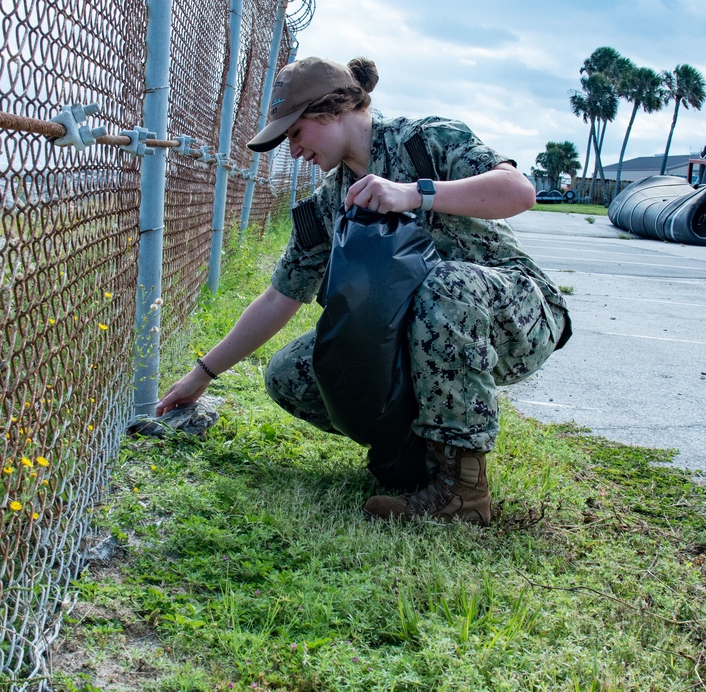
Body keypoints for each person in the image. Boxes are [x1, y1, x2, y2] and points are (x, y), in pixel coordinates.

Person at [155, 56, 571, 526]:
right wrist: (202, 374)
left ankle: (463, 494)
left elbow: (518, 191)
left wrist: (414, 193)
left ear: (331, 109)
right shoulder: (330, 202)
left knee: (445, 283)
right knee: (290, 372)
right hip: (419, 332)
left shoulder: (425, 139)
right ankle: (417, 463)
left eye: (295, 133)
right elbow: (279, 297)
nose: (292, 151)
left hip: (512, 314)